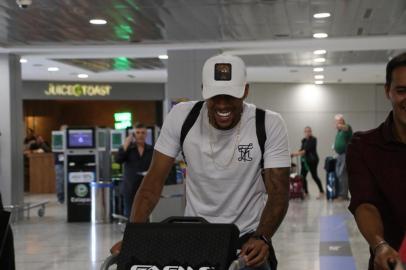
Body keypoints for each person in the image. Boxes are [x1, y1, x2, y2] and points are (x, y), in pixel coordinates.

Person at [111, 54, 291, 270]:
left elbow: (279, 193)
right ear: (204, 90)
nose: (222, 105)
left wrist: (262, 238)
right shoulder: (181, 117)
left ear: (245, 90)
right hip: (196, 236)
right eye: (215, 96)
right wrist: (134, 238)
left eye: (230, 96)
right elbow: (152, 183)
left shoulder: (268, 123)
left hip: (246, 237)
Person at [347, 52, 406, 270]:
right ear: (387, 91)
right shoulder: (364, 146)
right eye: (401, 91)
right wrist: (379, 245)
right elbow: (365, 204)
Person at [116, 123, 153, 218]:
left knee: (146, 213)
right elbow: (118, 160)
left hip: (146, 186)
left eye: (143, 133)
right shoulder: (128, 148)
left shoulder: (151, 149)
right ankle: (131, 232)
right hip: (130, 187)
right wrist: (125, 145)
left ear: (146, 134)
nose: (140, 135)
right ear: (134, 134)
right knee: (130, 214)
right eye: (138, 132)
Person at [291, 126, 324, 198]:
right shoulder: (303, 140)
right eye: (306, 131)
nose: (307, 133)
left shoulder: (313, 140)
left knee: (314, 176)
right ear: (304, 132)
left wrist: (295, 154)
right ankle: (306, 192)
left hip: (312, 161)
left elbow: (305, 151)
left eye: (309, 131)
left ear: (311, 132)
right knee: (302, 177)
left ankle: (322, 192)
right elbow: (301, 149)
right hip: (304, 161)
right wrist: (294, 153)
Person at [333, 114, 352, 200]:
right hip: (339, 155)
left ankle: (343, 195)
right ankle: (340, 194)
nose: (338, 123)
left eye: (340, 121)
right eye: (337, 122)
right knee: (338, 173)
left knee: (342, 174)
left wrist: (339, 125)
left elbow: (346, 128)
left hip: (345, 154)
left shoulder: (347, 128)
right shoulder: (339, 132)